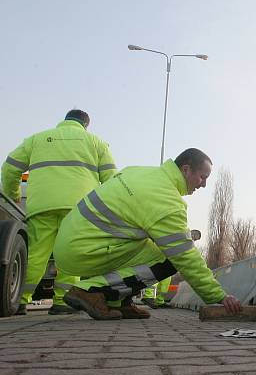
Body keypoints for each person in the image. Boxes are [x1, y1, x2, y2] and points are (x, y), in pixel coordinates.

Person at [53, 148, 242, 320]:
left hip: (71, 241)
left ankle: (118, 302)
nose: (204, 185)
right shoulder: (166, 200)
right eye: (202, 177)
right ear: (185, 170)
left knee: (150, 247)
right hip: (83, 250)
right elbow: (186, 257)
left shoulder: (139, 171)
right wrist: (218, 296)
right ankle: (91, 291)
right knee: (169, 258)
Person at [1, 109, 116, 315]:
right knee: (71, 253)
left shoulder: (37, 139)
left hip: (42, 205)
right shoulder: (96, 143)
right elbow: (111, 180)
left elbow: (9, 168)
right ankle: (63, 302)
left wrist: (13, 193)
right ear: (85, 125)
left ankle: (19, 300)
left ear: (64, 121)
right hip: (79, 208)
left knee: (36, 254)